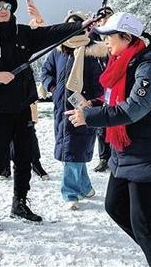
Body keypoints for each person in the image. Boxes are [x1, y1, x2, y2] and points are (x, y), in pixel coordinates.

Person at [0, 0, 95, 230]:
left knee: (24, 158)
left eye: (7, 6)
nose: (4, 9)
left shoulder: (22, 33)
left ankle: (20, 203)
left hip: (23, 107)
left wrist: (83, 24)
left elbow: (49, 33)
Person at [65, 12, 151, 267]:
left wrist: (91, 116)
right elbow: (114, 99)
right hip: (123, 149)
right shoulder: (122, 62)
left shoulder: (147, 66)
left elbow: (134, 108)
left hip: (146, 152)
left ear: (127, 37)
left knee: (144, 222)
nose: (105, 42)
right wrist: (93, 105)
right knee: (115, 206)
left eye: (109, 37)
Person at [41, 11, 107, 210]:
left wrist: (91, 101)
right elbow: (46, 71)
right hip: (61, 107)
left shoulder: (92, 51)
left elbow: (101, 82)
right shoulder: (58, 50)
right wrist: (52, 88)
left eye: (77, 26)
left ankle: (69, 192)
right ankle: (85, 186)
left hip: (82, 108)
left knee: (74, 149)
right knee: (71, 149)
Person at [93, 6, 114, 172]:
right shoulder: (92, 37)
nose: (104, 20)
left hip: (115, 86)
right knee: (101, 127)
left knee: (116, 121)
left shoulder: (118, 35)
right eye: (101, 17)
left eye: (108, 16)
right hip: (98, 87)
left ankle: (115, 155)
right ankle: (103, 158)